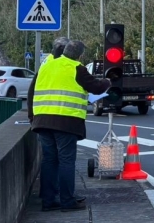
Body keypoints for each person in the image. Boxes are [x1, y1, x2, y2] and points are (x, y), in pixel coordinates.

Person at [27, 40, 111, 212]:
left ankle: (48, 201)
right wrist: (108, 81)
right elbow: (95, 87)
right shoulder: (76, 68)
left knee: (49, 160)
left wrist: (32, 117)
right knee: (66, 160)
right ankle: (67, 201)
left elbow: (31, 91)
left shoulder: (46, 66)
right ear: (80, 55)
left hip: (42, 121)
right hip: (65, 122)